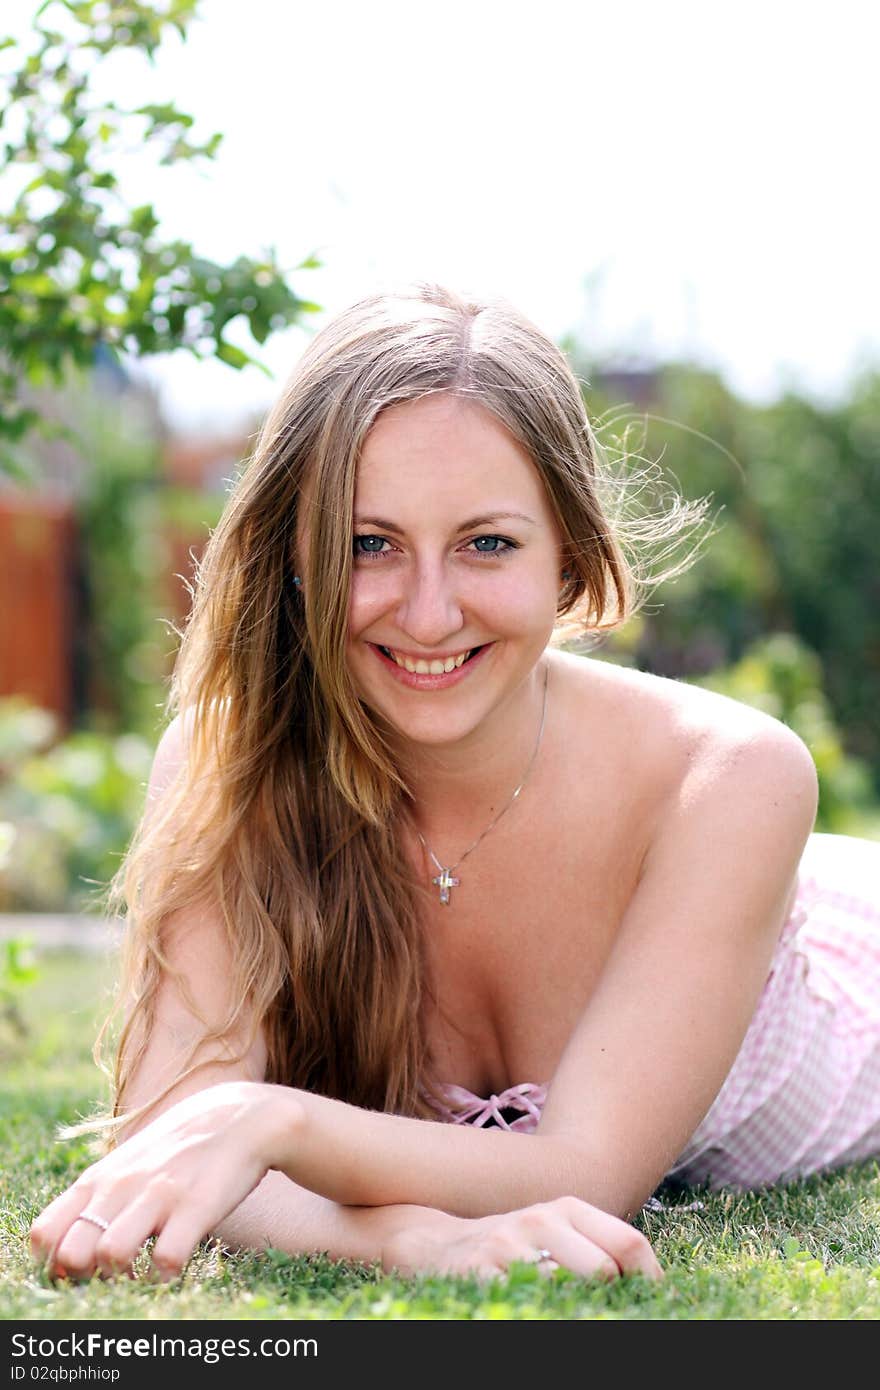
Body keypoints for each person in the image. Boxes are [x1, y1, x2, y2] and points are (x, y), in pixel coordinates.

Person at [30, 282, 880, 1287]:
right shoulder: (231, 765)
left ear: (567, 554)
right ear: (292, 552)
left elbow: (585, 1172)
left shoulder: (727, 776)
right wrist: (409, 1238)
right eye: (367, 544)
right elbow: (171, 1146)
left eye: (486, 543)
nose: (428, 614)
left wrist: (267, 1117)